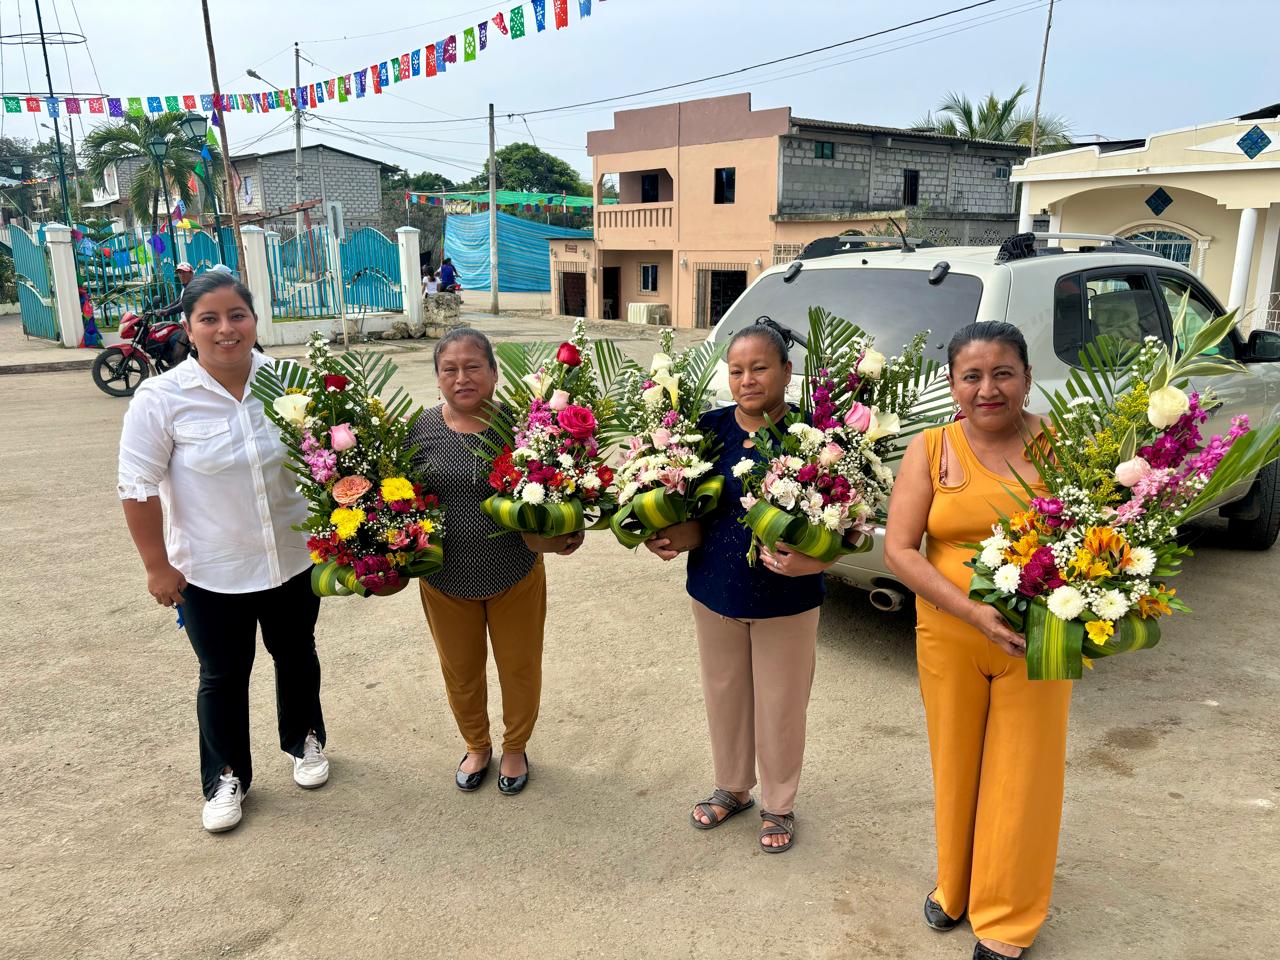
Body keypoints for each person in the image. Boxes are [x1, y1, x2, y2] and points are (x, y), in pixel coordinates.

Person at [117, 270, 330, 835]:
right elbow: (136, 486)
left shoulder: (288, 382)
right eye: (209, 319)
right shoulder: (162, 398)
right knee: (222, 675)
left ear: (255, 321)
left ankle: (306, 739)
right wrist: (156, 566)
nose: (225, 329)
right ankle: (225, 776)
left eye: (237, 315)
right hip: (211, 570)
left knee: (297, 654)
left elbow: (325, 458)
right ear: (188, 330)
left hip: (292, 558)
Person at [883, 322, 1069, 960]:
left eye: (1003, 373)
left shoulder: (1063, 445)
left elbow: (1102, 528)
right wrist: (971, 611)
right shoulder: (931, 448)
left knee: (1024, 773)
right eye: (973, 376)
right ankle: (957, 885)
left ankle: (1008, 919)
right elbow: (900, 549)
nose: (988, 389)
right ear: (953, 384)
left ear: (1027, 378)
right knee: (955, 762)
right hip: (949, 633)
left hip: (1041, 634)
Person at [646, 320, 847, 853]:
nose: (747, 380)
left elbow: (848, 524)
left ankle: (778, 804)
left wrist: (818, 561)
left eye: (759, 368)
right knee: (725, 694)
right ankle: (733, 787)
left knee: (782, 705)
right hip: (716, 589)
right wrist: (663, 536)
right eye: (736, 371)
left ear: (786, 370)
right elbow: (688, 509)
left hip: (788, 597)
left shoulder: (814, 437)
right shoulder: (706, 430)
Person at [406, 328, 582, 795]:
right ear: (437, 378)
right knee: (460, 670)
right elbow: (400, 498)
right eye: (449, 369)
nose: (461, 377)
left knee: (519, 666)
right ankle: (477, 745)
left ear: (494, 371)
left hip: (515, 571)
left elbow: (561, 488)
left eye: (472, 367)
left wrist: (569, 527)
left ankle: (516, 746)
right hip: (444, 578)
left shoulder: (526, 429)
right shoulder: (418, 430)